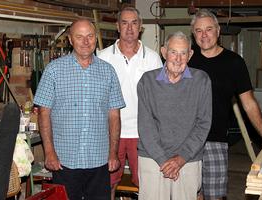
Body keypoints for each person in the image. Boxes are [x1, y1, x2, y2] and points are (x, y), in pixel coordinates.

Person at [189, 9, 262, 200]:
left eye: (208, 29)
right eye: (199, 31)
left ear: (218, 31)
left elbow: (249, 102)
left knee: (214, 196)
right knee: (190, 193)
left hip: (215, 140)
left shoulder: (234, 62)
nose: (204, 35)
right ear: (193, 34)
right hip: (186, 139)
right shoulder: (186, 59)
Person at [34, 19, 125, 200]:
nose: (86, 41)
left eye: (90, 36)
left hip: (99, 160)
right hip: (64, 161)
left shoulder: (108, 71)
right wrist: (49, 152)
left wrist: (113, 153)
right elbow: (44, 113)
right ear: (70, 40)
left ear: (95, 38)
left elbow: (114, 115)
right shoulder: (54, 70)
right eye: (79, 36)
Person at [137, 31, 212, 200]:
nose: (178, 59)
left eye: (183, 53)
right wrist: (164, 161)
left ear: (190, 55)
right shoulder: (147, 81)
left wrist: (181, 159)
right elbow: (145, 126)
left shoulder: (202, 80)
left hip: (188, 158)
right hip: (152, 157)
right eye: (173, 52)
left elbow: (203, 124)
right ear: (163, 52)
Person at [97, 6, 162, 200]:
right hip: (110, 133)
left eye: (134, 23)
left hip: (142, 133)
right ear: (117, 26)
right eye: (124, 23)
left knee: (146, 185)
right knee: (107, 183)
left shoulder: (153, 59)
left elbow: (160, 98)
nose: (130, 28)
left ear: (141, 27)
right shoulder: (103, 57)